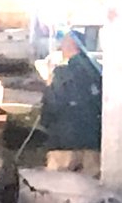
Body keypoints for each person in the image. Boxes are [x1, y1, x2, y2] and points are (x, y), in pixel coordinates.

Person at [40, 30, 102, 175]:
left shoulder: (62, 74)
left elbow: (51, 106)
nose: (61, 46)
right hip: (92, 143)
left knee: (58, 190)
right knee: (91, 188)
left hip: (63, 143)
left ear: (72, 45)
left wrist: (47, 125)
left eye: (64, 42)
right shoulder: (98, 72)